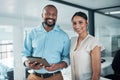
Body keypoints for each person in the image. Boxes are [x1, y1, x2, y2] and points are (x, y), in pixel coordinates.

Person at [21, 4, 70, 80]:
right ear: (42, 15)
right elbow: (25, 53)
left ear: (56, 16)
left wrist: (58, 66)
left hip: (55, 77)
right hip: (34, 77)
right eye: (47, 14)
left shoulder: (64, 36)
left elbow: (67, 57)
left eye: (54, 15)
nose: (51, 17)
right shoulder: (32, 33)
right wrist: (27, 63)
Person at [70, 11, 104, 80]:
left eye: (80, 22)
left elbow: (96, 74)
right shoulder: (72, 40)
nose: (77, 26)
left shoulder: (93, 42)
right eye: (74, 23)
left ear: (87, 22)